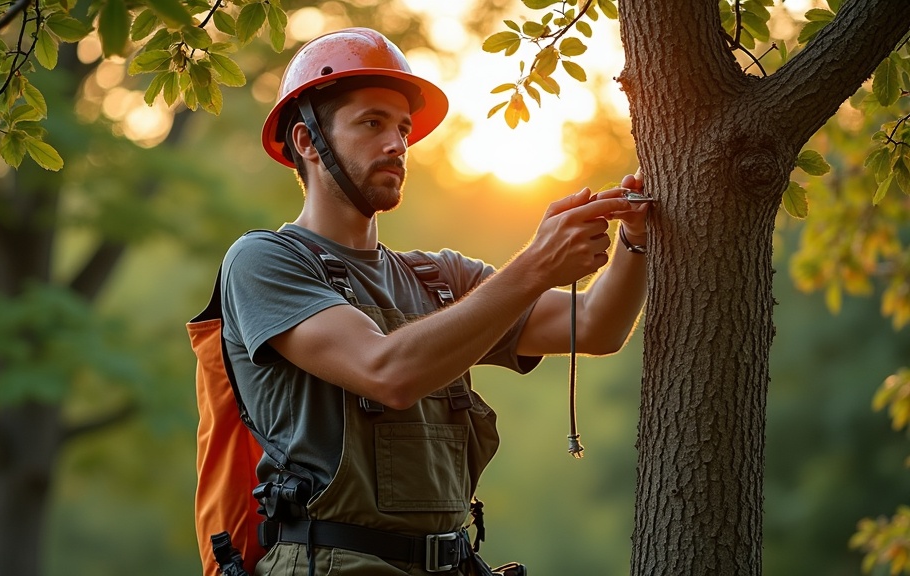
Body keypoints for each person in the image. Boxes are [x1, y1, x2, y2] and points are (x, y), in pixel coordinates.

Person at [219, 27, 648, 576]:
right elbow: (387, 372)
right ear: (307, 142)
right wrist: (536, 265)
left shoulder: (440, 278)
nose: (398, 143)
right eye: (372, 123)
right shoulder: (264, 261)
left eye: (402, 128)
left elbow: (594, 326)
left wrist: (636, 241)